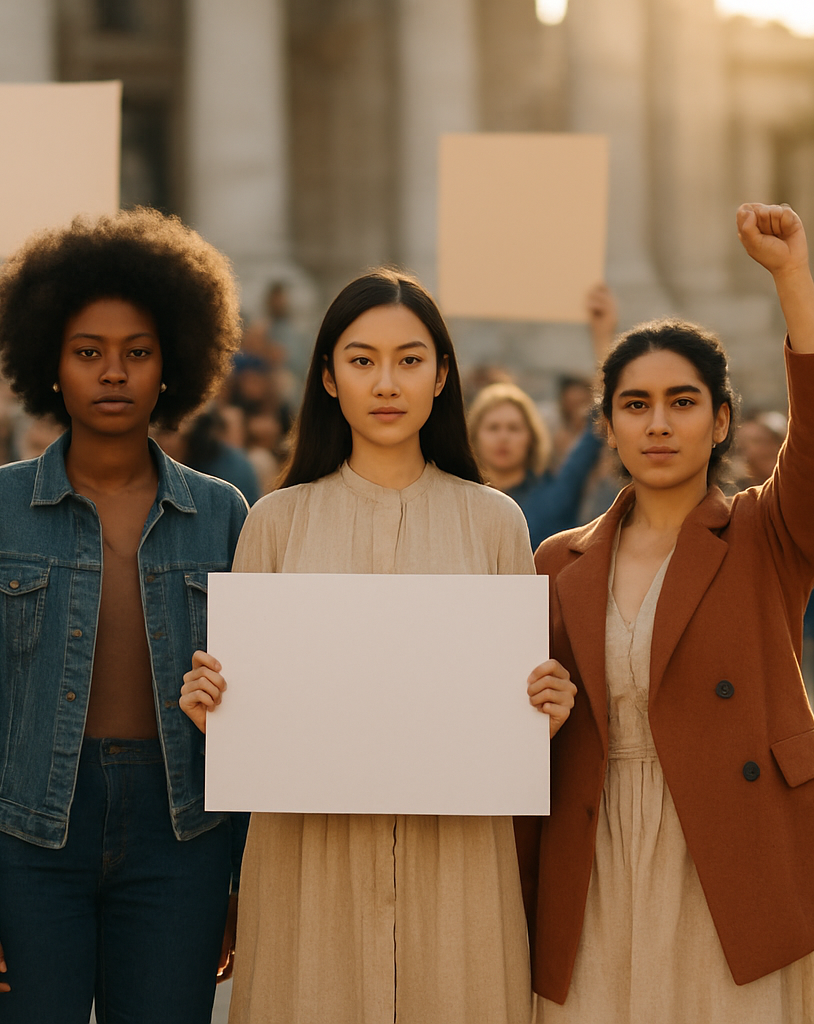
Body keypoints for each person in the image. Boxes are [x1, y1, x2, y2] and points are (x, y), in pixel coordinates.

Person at [180, 268, 577, 1024]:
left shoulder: (496, 523)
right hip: (307, 864)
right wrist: (219, 710)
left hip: (458, 864)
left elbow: (510, 704)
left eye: (409, 359)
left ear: (442, 376)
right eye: (361, 360)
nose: (386, 382)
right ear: (328, 378)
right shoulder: (275, 521)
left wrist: (542, 709)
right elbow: (252, 711)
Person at [523, 205, 814, 1022]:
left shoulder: (764, 534)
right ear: (607, 425)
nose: (657, 423)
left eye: (682, 402)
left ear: (720, 420)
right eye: (635, 404)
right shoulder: (555, 561)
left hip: (735, 854)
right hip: (597, 856)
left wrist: (791, 276)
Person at [0, 206, 248, 1024]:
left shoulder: (225, 514)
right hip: (24, 835)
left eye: (137, 353)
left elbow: (253, 714)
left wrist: (241, 876)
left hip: (184, 838)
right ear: (49, 367)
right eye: (88, 353)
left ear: (172, 365)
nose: (113, 373)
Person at [468, 287, 614, 547]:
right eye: (493, 427)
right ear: (474, 437)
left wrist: (602, 338)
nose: (503, 437)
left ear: (531, 438)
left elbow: (599, 419)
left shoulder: (556, 495)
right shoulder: (459, 504)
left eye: (514, 428)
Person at [732, 409, 788, 491]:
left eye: (777, 441)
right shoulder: (733, 495)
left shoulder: (796, 487)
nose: (772, 449)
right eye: (761, 441)